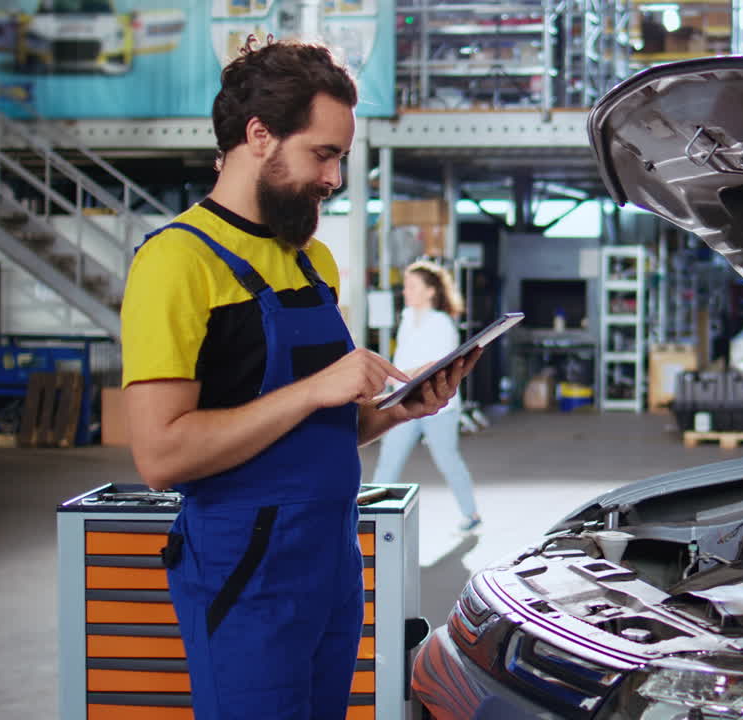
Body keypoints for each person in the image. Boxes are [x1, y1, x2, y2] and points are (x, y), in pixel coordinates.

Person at [119, 40, 479, 720]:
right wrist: (315, 387)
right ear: (259, 136)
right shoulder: (175, 264)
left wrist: (398, 410)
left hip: (330, 559)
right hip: (245, 571)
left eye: (339, 157)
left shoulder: (314, 262)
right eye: (323, 154)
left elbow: (319, 428)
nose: (335, 178)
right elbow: (161, 456)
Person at [372, 261, 482, 531]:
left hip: (438, 408)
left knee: (448, 460)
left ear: (431, 292)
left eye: (412, 286)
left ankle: (471, 514)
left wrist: (395, 377)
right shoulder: (407, 317)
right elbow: (403, 357)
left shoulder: (442, 324)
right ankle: (370, 519)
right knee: (389, 462)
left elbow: (436, 366)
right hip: (404, 402)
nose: (405, 291)